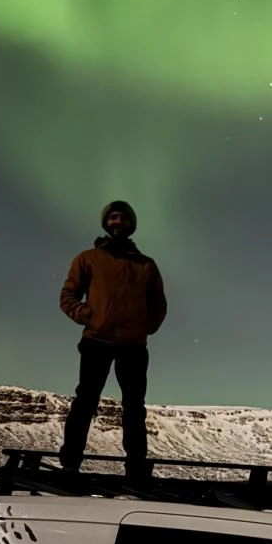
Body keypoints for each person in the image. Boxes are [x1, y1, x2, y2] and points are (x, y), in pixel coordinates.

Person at [58, 201, 167, 481]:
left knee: (134, 406)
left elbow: (158, 306)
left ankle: (135, 468)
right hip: (97, 340)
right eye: (113, 217)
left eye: (123, 218)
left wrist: (144, 328)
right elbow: (68, 296)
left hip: (133, 346)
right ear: (107, 223)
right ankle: (70, 462)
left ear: (131, 224)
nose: (118, 222)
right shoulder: (88, 259)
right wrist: (88, 316)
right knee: (86, 400)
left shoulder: (146, 266)